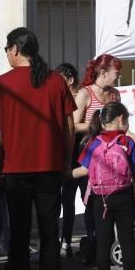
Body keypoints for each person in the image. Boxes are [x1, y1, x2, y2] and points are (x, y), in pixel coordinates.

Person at [0, 28, 75, 270]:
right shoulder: (56, 81)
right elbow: (69, 126)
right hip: (50, 165)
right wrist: (67, 159)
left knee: (20, 232)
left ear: (14, 50)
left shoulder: (3, 83)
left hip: (15, 167)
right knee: (49, 230)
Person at [73, 102, 135, 270]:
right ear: (121, 119)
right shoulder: (126, 143)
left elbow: (84, 170)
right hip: (124, 196)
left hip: (100, 198)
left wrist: (65, 175)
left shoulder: (93, 142)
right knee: (127, 241)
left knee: (103, 242)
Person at [72, 54, 122, 262]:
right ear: (103, 73)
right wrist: (99, 126)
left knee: (110, 200)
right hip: (91, 156)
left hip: (112, 156)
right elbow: (73, 125)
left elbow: (120, 122)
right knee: (92, 201)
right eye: (116, 73)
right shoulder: (84, 94)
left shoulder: (115, 95)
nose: (118, 77)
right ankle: (93, 243)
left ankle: (108, 242)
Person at [55, 63, 81, 257]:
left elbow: (73, 126)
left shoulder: (80, 97)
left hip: (82, 154)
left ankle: (70, 241)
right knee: (64, 200)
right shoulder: (56, 98)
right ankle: (64, 240)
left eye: (60, 78)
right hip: (64, 155)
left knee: (83, 200)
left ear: (70, 80)